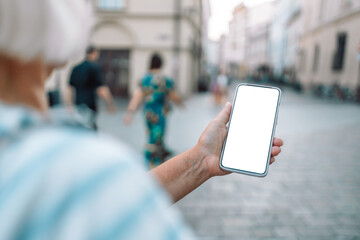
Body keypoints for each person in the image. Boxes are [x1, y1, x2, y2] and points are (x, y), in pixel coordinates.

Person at [0, 1, 283, 239]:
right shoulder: (77, 169)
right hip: (157, 115)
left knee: (152, 139)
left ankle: (153, 156)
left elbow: (108, 205)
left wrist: (201, 159)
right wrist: (180, 106)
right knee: (156, 139)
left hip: (147, 115)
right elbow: (101, 197)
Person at [124, 54, 184, 167]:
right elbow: (173, 96)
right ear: (161, 64)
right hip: (159, 113)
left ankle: (153, 160)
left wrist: (130, 112)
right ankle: (153, 163)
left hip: (147, 113)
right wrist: (180, 104)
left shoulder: (144, 79)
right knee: (157, 136)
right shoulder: (165, 79)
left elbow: (137, 96)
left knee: (151, 135)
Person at [68, 46, 116, 130]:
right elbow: (102, 89)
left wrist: (69, 105)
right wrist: (110, 103)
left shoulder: (76, 68)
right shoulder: (94, 68)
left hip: (78, 104)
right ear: (94, 53)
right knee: (89, 130)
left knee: (80, 129)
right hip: (90, 105)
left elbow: (69, 89)